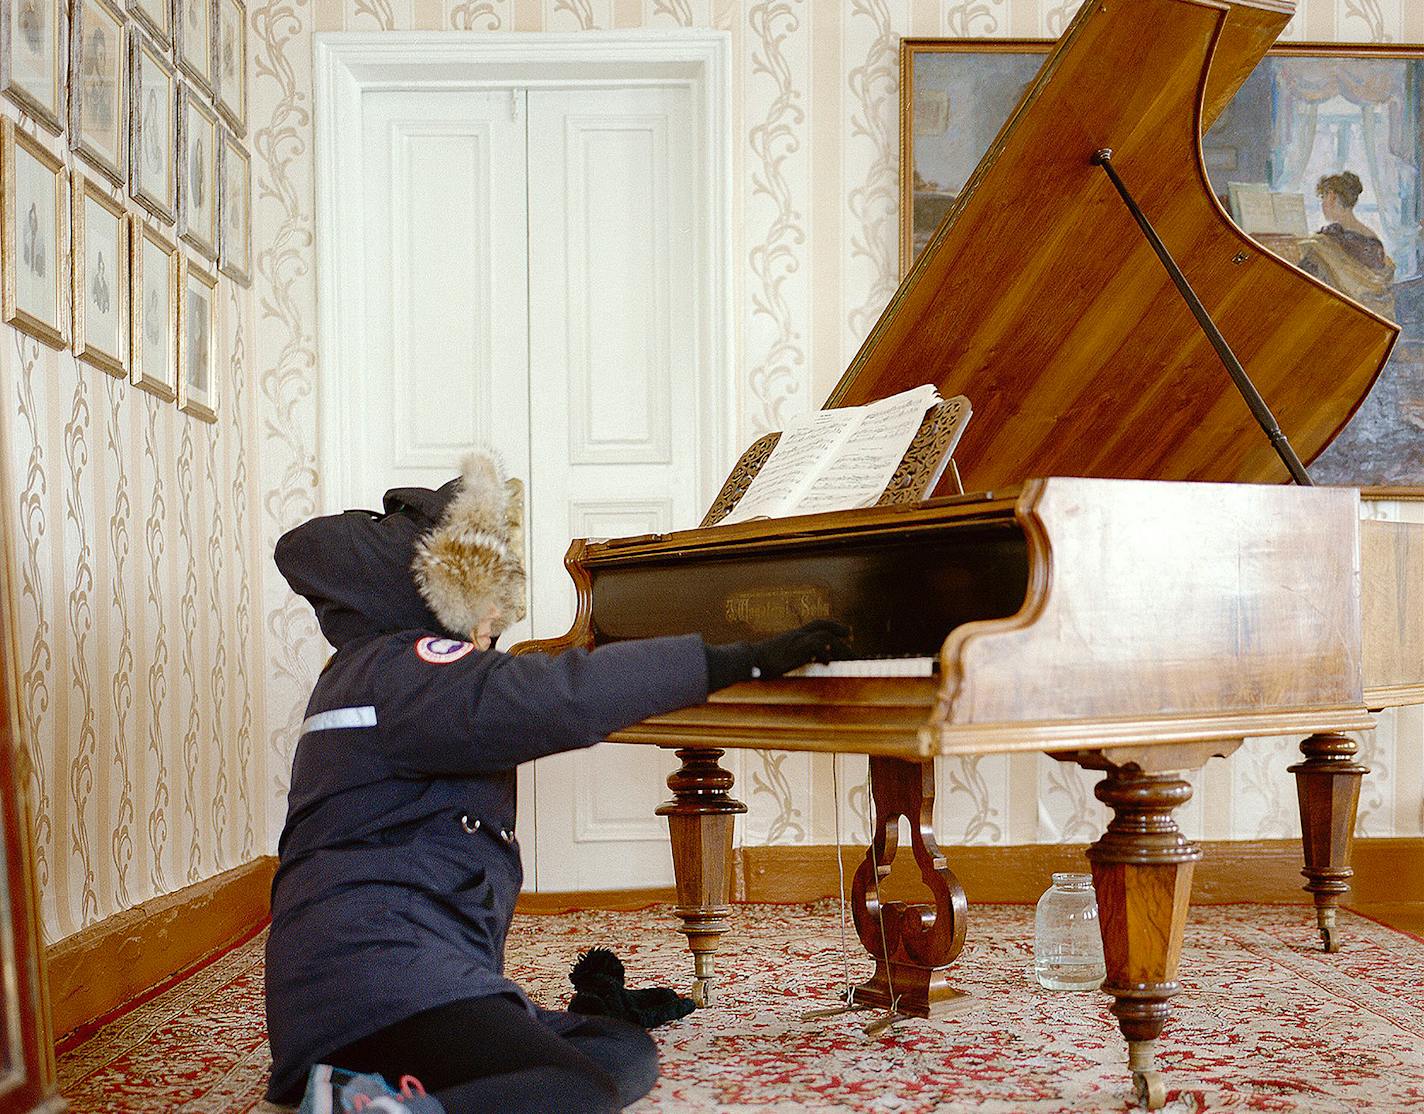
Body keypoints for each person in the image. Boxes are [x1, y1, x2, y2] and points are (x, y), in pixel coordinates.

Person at [265, 451, 852, 1113]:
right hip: (372, 992)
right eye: (482, 600)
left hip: (378, 973)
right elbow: (558, 697)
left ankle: (364, 1090)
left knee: (622, 1051)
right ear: (427, 596)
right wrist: (736, 658)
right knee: (574, 1091)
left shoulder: (372, 670)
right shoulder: (410, 672)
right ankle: (365, 1107)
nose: (495, 624)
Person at [1298, 170, 1397, 319]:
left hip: (1348, 314)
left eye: (1323, 198)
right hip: (1375, 314)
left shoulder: (1335, 239)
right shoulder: (1370, 237)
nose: (1322, 204)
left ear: (1331, 197)